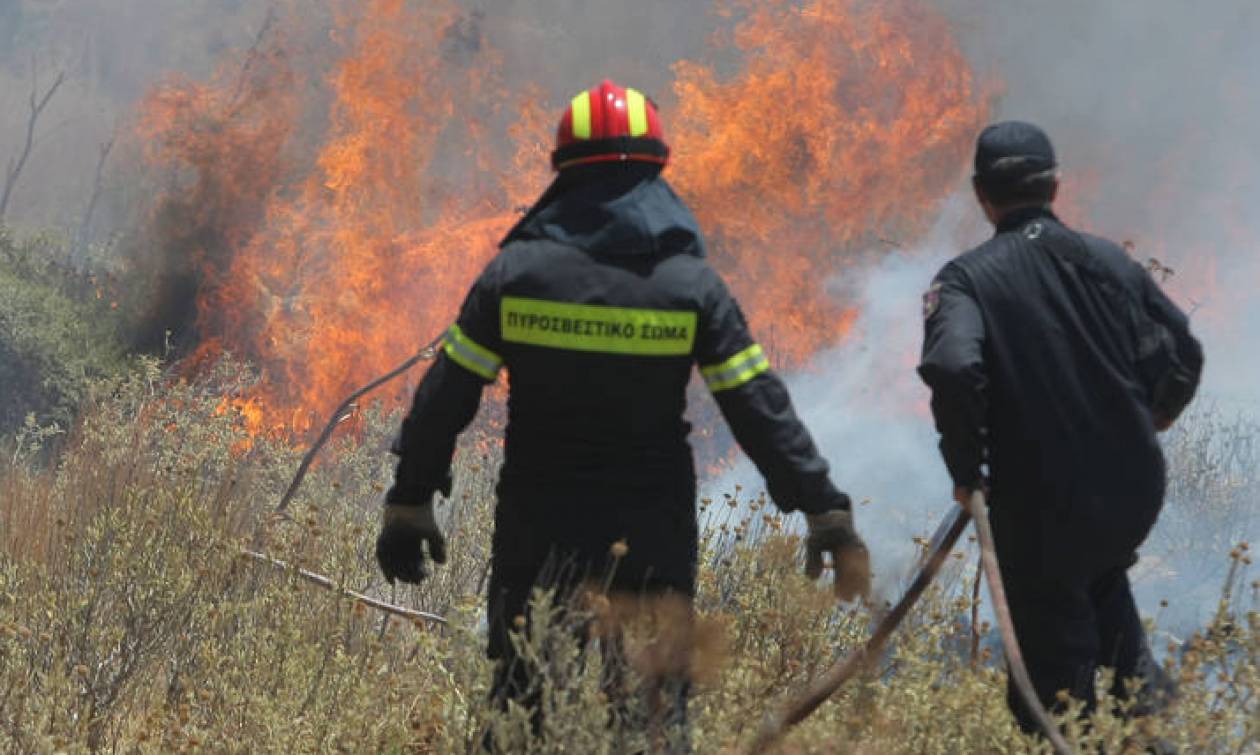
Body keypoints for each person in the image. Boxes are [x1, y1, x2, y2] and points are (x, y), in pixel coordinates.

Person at [375, 79, 871, 748]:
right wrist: (824, 508)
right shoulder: (689, 286)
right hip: (650, 537)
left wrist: (409, 500)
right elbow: (759, 409)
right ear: (656, 172)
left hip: (538, 530)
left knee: (523, 710)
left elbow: (446, 396)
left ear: (564, 173)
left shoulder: (516, 275)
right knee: (652, 722)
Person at [918, 121, 1203, 745]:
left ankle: (1071, 733)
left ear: (981, 194)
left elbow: (952, 365)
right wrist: (1157, 414)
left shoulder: (966, 279)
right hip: (1130, 491)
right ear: (1055, 186)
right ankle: (1151, 727)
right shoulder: (1106, 261)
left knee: (1054, 670)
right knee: (1101, 587)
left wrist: (968, 471)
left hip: (1040, 501)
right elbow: (1183, 352)